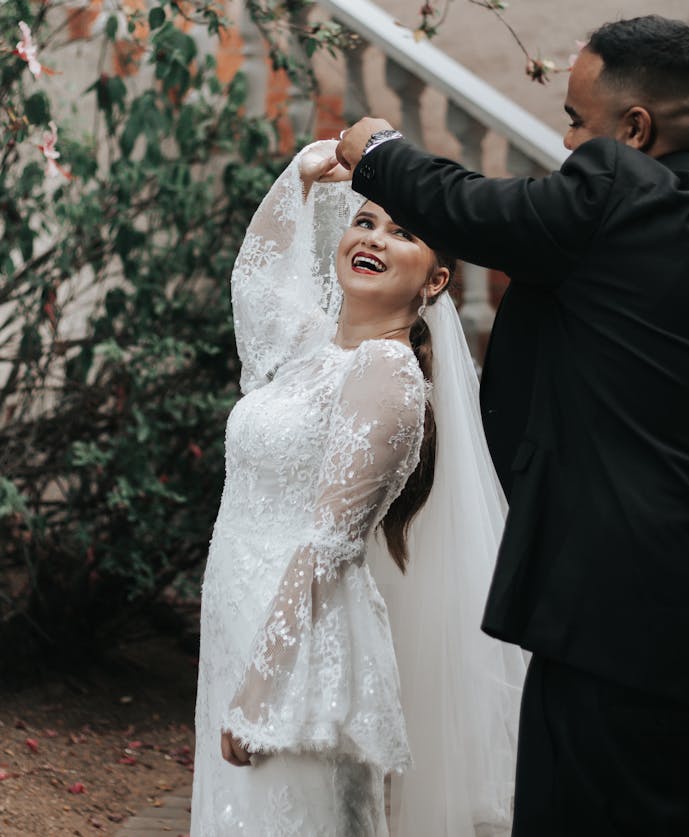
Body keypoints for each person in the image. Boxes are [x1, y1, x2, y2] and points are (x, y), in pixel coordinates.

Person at [337, 15, 689, 837]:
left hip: (607, 624)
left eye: (575, 119)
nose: (565, 143)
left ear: (632, 131)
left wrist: (374, 147)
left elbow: (470, 206)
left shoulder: (614, 194)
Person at [191, 139, 526, 836]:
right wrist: (302, 177)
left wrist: (263, 691)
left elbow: (328, 545)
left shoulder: (387, 375)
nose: (374, 237)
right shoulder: (312, 345)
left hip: (297, 655)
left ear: (436, 282)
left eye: (403, 232)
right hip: (241, 620)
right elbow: (254, 283)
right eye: (366, 221)